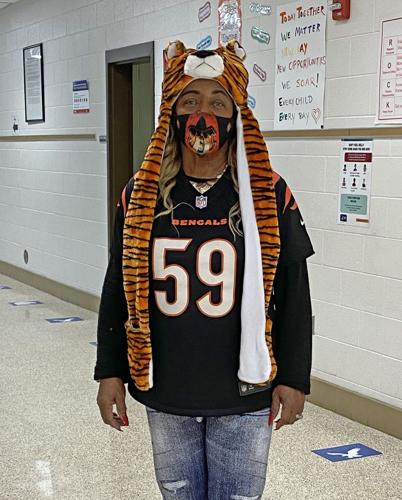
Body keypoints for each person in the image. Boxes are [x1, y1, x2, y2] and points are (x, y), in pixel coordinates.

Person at [94, 40, 314, 500]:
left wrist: (295, 378)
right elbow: (119, 286)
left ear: (237, 116)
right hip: (167, 388)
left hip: (244, 393)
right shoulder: (141, 194)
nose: (203, 113)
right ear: (171, 113)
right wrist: (108, 371)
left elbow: (294, 294)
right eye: (189, 100)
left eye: (218, 101)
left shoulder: (268, 194)